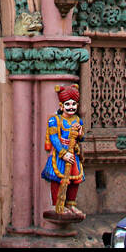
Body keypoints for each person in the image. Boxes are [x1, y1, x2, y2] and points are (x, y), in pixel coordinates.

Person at [41, 84, 85, 219]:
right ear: (61, 106)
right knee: (58, 178)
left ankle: (71, 203)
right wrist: (63, 153)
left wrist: (78, 133)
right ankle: (57, 205)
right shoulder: (55, 120)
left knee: (75, 180)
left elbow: (81, 138)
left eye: (73, 104)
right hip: (61, 155)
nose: (71, 107)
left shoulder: (77, 120)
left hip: (73, 153)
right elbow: (54, 138)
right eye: (68, 104)